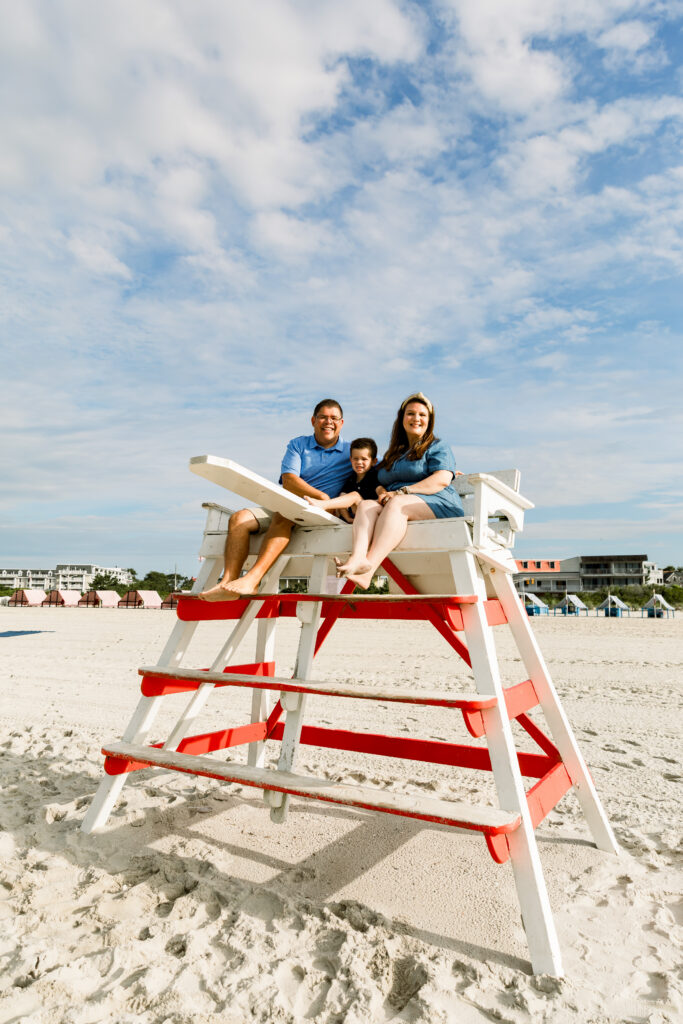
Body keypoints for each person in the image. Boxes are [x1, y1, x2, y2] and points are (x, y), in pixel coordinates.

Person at [199, 399, 350, 601]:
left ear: (341, 423)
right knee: (239, 518)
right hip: (287, 502)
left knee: (284, 514)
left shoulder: (351, 452)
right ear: (313, 420)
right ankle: (227, 582)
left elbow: (374, 470)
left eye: (334, 418)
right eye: (323, 417)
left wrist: (325, 501)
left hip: (320, 513)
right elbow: (289, 480)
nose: (328, 422)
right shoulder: (298, 444)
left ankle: (252, 580)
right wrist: (320, 494)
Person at [335, 392, 464, 589]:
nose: (416, 418)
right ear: (402, 418)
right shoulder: (394, 454)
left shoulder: (438, 446)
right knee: (367, 505)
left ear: (430, 420)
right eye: (411, 414)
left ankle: (369, 569)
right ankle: (358, 558)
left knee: (397, 503)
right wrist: (345, 495)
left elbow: (441, 480)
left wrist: (401, 492)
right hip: (397, 504)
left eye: (422, 415)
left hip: (437, 502)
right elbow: (370, 475)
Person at [305, 437, 385, 518]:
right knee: (343, 496)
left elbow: (381, 491)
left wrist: (384, 495)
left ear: (374, 462)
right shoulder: (351, 478)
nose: (359, 462)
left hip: (371, 511)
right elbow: (343, 495)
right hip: (357, 514)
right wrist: (348, 519)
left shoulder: (373, 476)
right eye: (355, 459)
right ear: (351, 459)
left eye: (364, 459)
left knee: (355, 496)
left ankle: (323, 504)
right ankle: (345, 518)